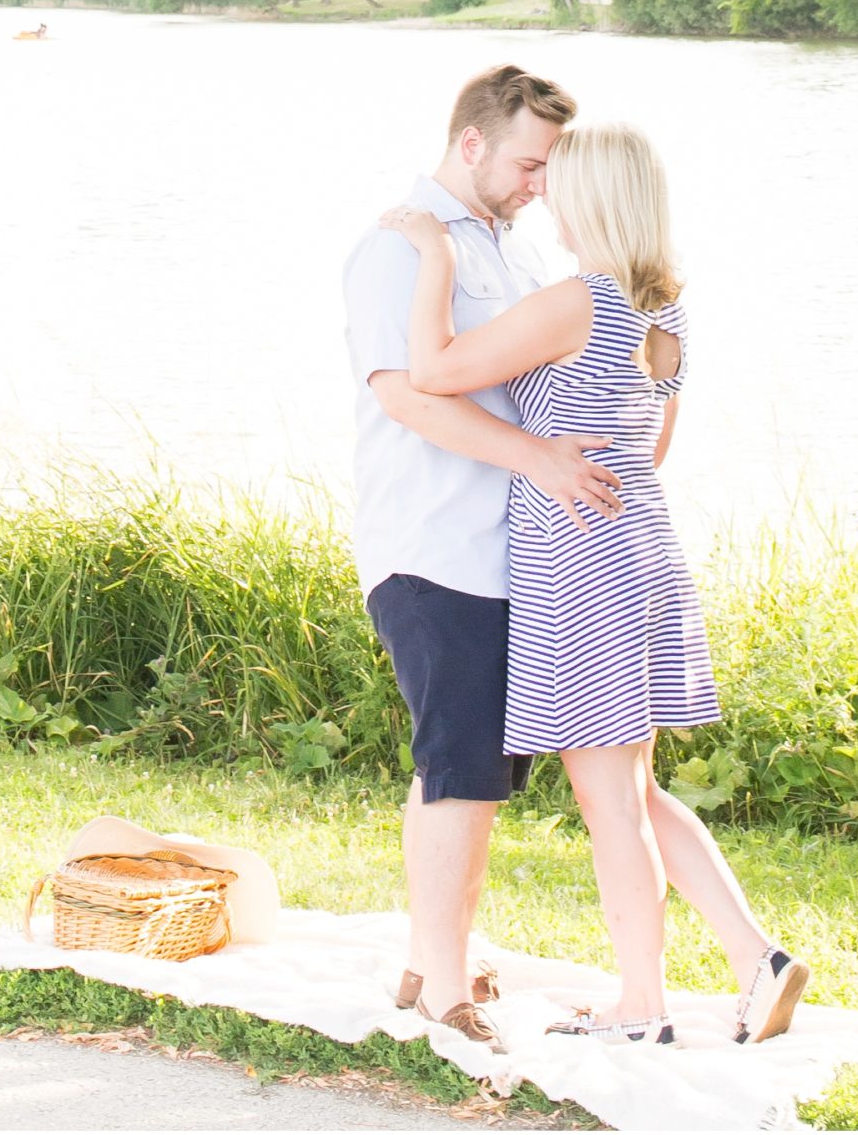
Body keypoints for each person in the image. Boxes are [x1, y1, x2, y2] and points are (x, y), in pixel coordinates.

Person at [387, 118, 808, 1048]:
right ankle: (756, 962)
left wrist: (430, 256)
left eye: (559, 180)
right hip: (640, 546)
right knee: (637, 784)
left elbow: (433, 371)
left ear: (595, 198)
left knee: (606, 797)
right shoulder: (665, 311)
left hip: (576, 556)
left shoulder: (578, 300)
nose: (545, 195)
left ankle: (640, 1008)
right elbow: (650, 447)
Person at [342, 64, 624, 1050]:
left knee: (470, 768)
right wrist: (539, 459)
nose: (539, 182)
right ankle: (446, 989)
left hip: (501, 552)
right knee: (458, 764)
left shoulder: (505, 247)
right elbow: (406, 395)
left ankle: (430, 955)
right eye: (527, 161)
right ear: (470, 144)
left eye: (548, 166)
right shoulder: (398, 248)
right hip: (429, 544)